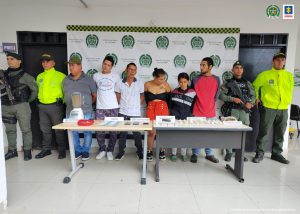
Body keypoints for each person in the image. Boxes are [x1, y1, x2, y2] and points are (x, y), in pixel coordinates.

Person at [252, 53, 294, 164]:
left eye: (282, 60)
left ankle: (276, 154)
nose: (280, 62)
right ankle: (259, 153)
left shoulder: (289, 76)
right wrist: (256, 98)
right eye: (277, 60)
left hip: (284, 108)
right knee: (264, 131)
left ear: (284, 62)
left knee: (281, 132)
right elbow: (254, 86)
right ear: (273, 62)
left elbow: (289, 91)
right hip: (268, 107)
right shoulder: (265, 75)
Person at [1, 52, 38, 161]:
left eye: (12, 59)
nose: (9, 61)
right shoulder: (2, 75)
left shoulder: (26, 76)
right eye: (7, 59)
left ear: (19, 61)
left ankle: (27, 151)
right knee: (10, 130)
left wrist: (26, 101)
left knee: (26, 130)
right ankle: (12, 151)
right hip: (6, 107)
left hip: (22, 107)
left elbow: (35, 91)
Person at [63, 55, 97, 161]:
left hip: (86, 111)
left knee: (87, 131)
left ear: (80, 66)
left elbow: (94, 95)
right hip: (70, 111)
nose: (71, 68)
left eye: (73, 65)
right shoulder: (65, 80)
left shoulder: (88, 80)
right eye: (70, 65)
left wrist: (87, 105)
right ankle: (77, 151)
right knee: (73, 132)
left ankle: (85, 151)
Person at [220, 61, 256, 162]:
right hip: (232, 111)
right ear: (232, 70)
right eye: (236, 68)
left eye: (240, 68)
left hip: (244, 112)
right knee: (230, 133)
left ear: (243, 70)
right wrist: (233, 99)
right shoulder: (228, 83)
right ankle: (229, 152)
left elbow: (253, 95)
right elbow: (221, 96)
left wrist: (251, 103)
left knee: (243, 133)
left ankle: (240, 153)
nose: (238, 70)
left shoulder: (247, 83)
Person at [35, 54, 67, 159]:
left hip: (55, 106)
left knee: (59, 129)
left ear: (53, 63)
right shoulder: (40, 76)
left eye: (47, 61)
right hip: (42, 106)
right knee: (45, 129)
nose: (45, 63)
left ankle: (62, 150)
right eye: (43, 61)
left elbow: (66, 92)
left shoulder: (61, 76)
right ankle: (46, 149)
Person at [190, 57, 220, 164]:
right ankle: (195, 153)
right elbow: (192, 95)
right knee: (196, 134)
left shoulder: (217, 79)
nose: (201, 67)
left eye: (204, 65)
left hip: (211, 112)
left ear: (210, 67)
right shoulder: (195, 79)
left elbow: (216, 96)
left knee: (210, 134)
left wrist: (209, 104)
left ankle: (210, 154)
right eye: (201, 65)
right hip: (197, 111)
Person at [114, 63, 144, 160]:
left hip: (135, 113)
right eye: (130, 69)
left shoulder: (139, 83)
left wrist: (135, 105)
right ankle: (121, 152)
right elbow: (117, 96)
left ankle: (140, 152)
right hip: (123, 112)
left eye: (134, 70)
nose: (132, 71)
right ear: (126, 70)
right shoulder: (119, 83)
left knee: (137, 134)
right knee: (122, 134)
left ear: (136, 71)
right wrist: (123, 105)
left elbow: (142, 96)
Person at [93, 56, 120, 161]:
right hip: (100, 108)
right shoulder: (96, 76)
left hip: (113, 107)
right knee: (99, 130)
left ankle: (110, 151)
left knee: (113, 131)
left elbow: (118, 92)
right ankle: (102, 150)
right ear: (102, 64)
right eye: (104, 64)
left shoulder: (116, 77)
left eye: (108, 65)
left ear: (111, 67)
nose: (106, 66)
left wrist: (117, 103)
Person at [144, 68, 171, 161]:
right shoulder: (147, 84)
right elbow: (146, 99)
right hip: (151, 108)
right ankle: (149, 151)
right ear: (155, 77)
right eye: (161, 79)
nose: (163, 81)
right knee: (151, 132)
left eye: (164, 78)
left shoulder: (166, 85)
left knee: (162, 131)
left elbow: (169, 100)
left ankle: (162, 151)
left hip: (163, 109)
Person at [170, 72, 196, 162]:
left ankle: (183, 154)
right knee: (174, 136)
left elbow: (194, 105)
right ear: (178, 82)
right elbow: (171, 105)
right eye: (181, 82)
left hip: (186, 117)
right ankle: (173, 153)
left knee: (184, 136)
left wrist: (190, 115)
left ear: (188, 81)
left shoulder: (192, 92)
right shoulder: (174, 92)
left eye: (185, 82)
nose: (183, 84)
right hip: (175, 116)